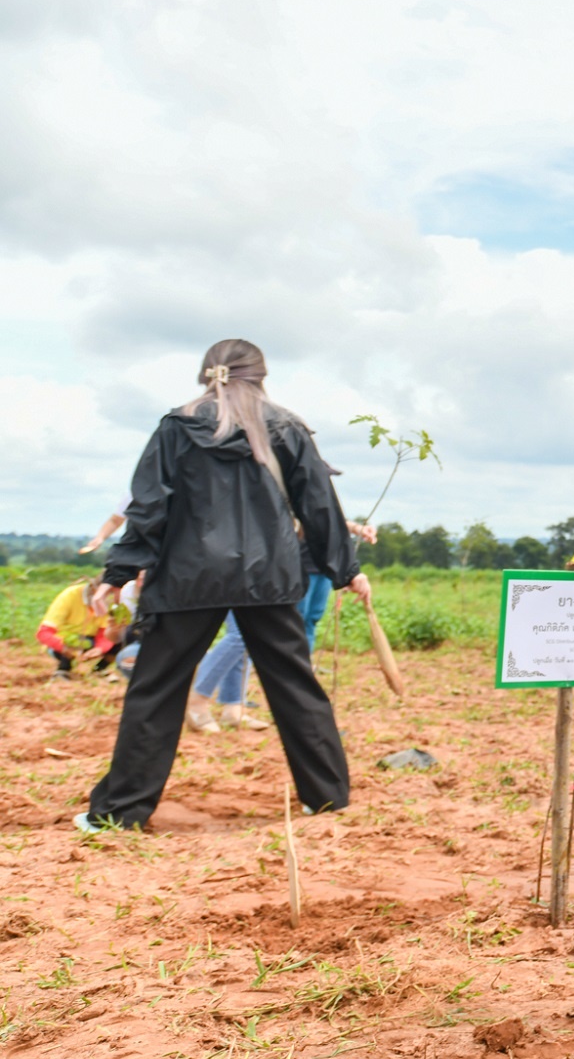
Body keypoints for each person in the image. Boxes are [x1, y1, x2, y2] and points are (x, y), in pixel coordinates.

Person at [79, 339, 366, 833]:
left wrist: (119, 571)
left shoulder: (176, 427)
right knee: (296, 684)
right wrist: (345, 568)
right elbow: (318, 504)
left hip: (187, 579)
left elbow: (148, 507)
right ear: (260, 376)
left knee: (156, 690)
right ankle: (327, 800)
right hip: (268, 579)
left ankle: (120, 812)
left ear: (207, 374)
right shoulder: (288, 426)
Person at [185, 514, 380, 734]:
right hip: (236, 562)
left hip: (259, 566)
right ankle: (197, 701)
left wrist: (353, 531)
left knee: (243, 635)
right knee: (239, 636)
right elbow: (308, 516)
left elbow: (314, 517)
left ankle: (233, 707)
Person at [38, 578, 122, 679]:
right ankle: (63, 670)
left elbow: (104, 632)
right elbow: (43, 632)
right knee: (74, 641)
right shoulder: (70, 595)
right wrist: (63, 648)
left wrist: (100, 648)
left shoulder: (110, 603)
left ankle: (99, 670)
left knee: (120, 638)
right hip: (65, 641)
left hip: (90, 641)